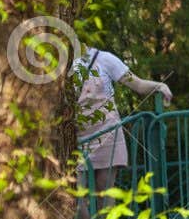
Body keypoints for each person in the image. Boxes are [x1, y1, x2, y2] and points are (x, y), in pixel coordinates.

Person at [73, 44, 173, 200]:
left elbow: (138, 84)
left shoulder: (104, 59)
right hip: (77, 138)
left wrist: (160, 86)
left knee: (105, 192)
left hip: (107, 134)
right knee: (75, 198)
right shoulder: (59, 64)